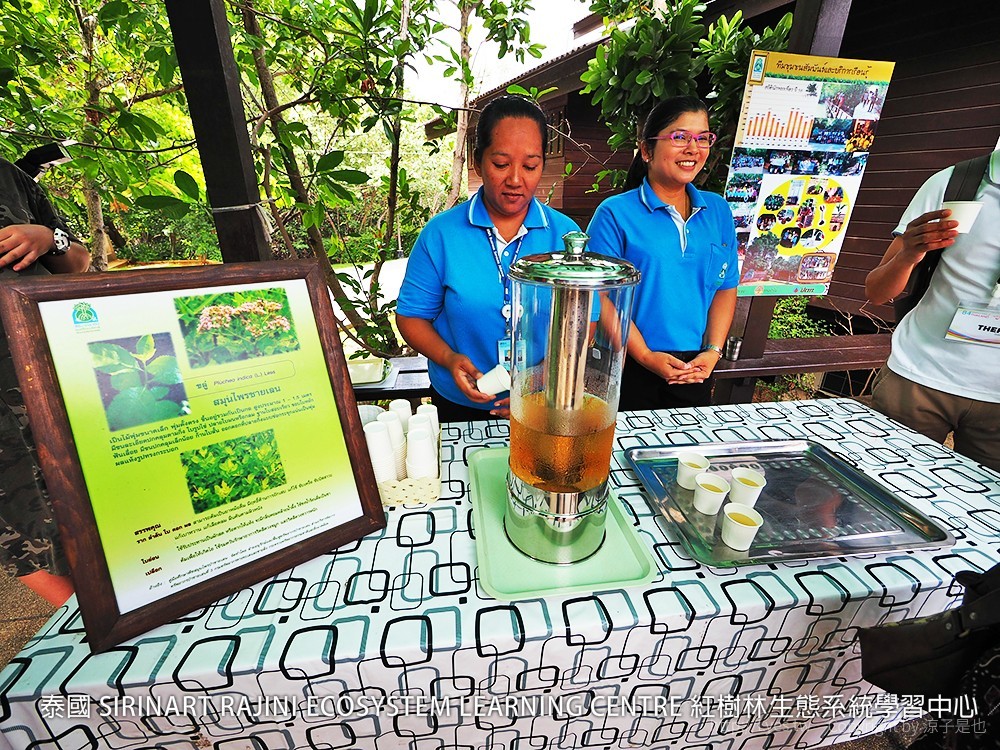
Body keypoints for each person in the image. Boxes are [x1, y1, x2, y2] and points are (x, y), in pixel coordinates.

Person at [395, 95, 579, 422]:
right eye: (501, 164)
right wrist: (449, 358)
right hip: (459, 404)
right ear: (478, 162)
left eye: (530, 166)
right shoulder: (442, 235)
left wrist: (540, 379)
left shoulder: (564, 236)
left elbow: (583, 322)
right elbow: (412, 318)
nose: (516, 179)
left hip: (543, 402)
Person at [585, 96, 739, 411]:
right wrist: (644, 355)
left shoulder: (718, 211)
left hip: (695, 368)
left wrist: (712, 351)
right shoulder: (615, 214)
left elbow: (726, 286)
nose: (693, 148)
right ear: (646, 150)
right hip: (628, 364)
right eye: (680, 137)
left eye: (702, 138)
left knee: (687, 441)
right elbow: (601, 296)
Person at [865, 150, 999, 471]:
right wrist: (908, 255)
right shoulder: (955, 183)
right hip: (919, 376)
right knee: (883, 488)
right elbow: (877, 292)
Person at [0, 156, 90, 605]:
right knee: (18, 517)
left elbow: (78, 261)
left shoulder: (7, 176)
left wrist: (46, 238)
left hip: (52, 369)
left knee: (94, 488)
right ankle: (86, 618)